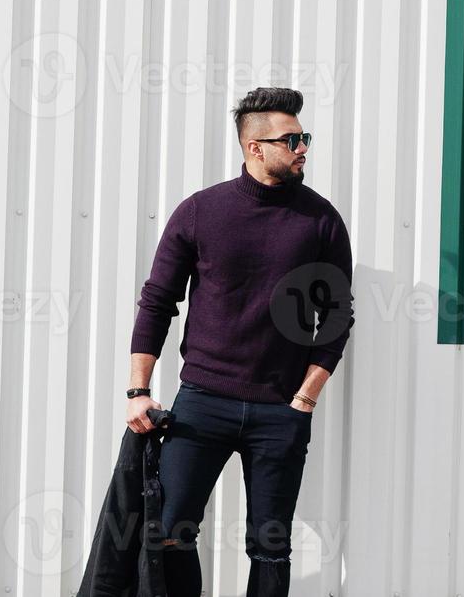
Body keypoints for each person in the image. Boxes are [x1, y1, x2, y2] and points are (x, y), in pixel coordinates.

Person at [125, 87, 355, 597]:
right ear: (255, 147)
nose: (303, 148)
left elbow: (336, 316)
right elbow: (159, 300)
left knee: (270, 545)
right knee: (170, 533)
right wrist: (137, 390)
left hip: (280, 411)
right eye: (291, 139)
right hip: (202, 403)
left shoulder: (321, 220)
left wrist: (304, 399)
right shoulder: (200, 212)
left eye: (305, 137)